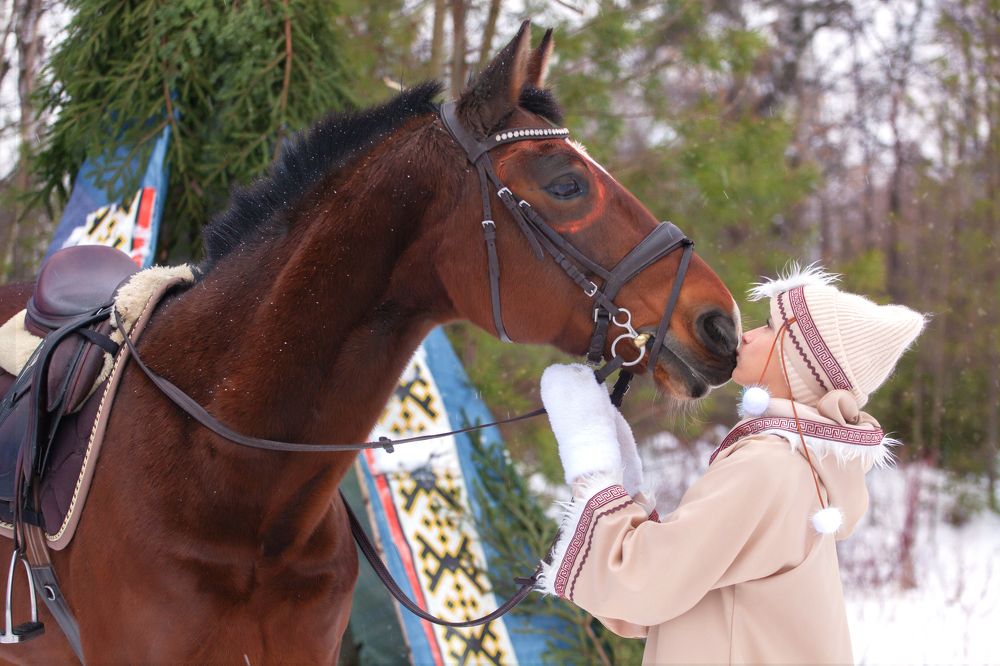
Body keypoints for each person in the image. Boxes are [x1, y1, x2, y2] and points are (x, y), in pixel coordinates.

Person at [536, 264, 926, 664]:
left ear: (800, 362)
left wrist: (592, 465)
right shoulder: (800, 466)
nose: (750, 335)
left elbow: (647, 582)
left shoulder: (770, 466)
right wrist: (629, 487)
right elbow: (678, 593)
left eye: (772, 328)